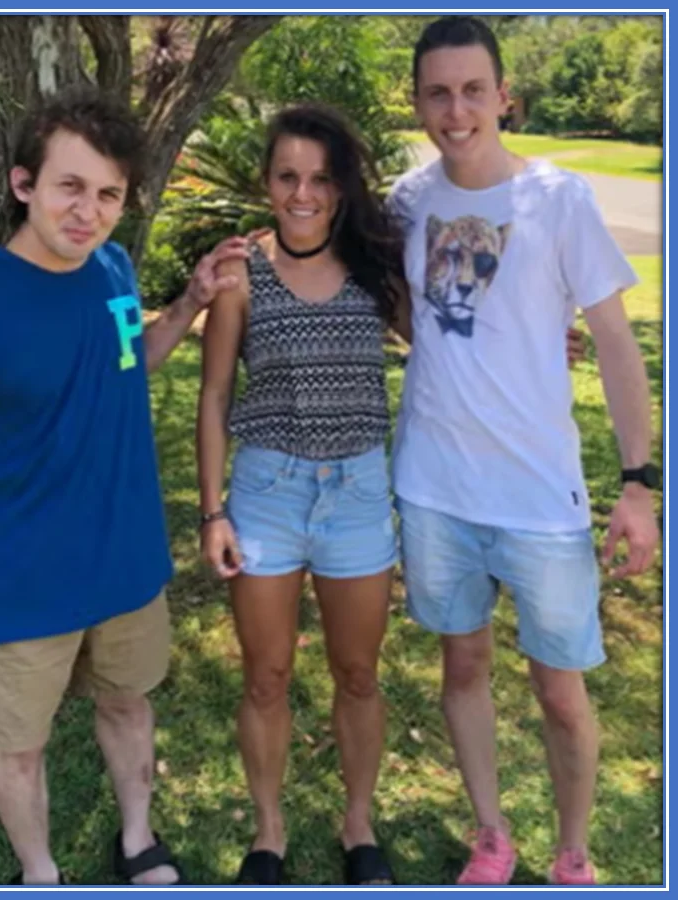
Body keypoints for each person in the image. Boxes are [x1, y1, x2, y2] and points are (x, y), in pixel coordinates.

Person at [0, 87, 248, 886]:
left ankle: (137, 841)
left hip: (122, 561)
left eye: (109, 194)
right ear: (25, 185)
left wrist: (189, 302)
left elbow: (128, 364)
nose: (89, 212)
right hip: (16, 582)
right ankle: (41, 872)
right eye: (70, 187)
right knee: (19, 743)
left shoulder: (112, 268)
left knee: (127, 703)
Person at [388, 16, 660, 886]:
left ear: (504, 95)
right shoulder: (407, 200)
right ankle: (491, 835)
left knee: (559, 689)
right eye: (438, 91)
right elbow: (403, 307)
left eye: (473, 90)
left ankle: (572, 853)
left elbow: (616, 345)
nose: (456, 109)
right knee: (460, 663)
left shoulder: (559, 198)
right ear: (419, 101)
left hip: (541, 500)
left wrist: (637, 484)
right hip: (434, 490)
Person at [197, 104, 408, 885]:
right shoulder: (239, 274)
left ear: (342, 186)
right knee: (267, 676)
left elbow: (451, 345)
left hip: (356, 491)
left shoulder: (375, 267)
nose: (303, 193)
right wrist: (212, 508)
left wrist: (532, 336)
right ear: (266, 182)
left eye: (320, 178)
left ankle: (359, 826)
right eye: (287, 176)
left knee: (358, 673)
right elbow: (214, 395)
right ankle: (269, 834)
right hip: (267, 495)